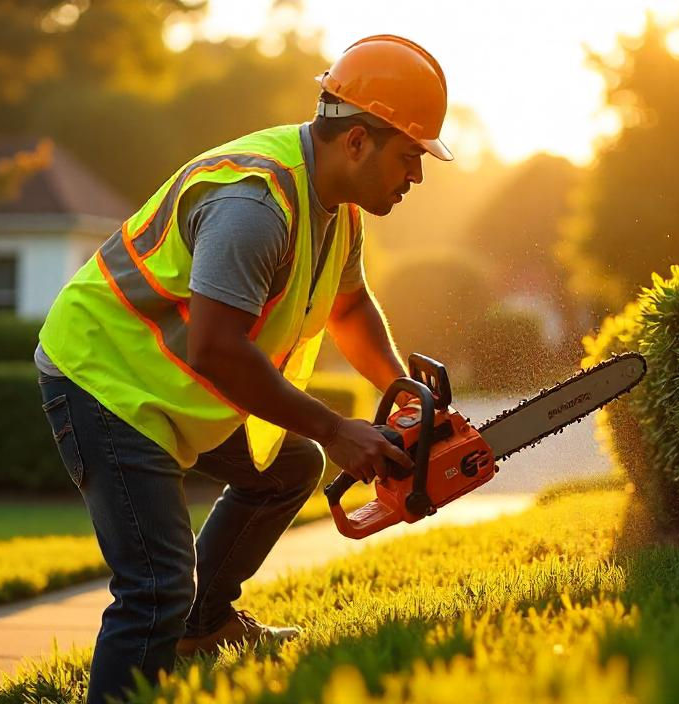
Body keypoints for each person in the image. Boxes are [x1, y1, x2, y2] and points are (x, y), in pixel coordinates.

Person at [33, 34, 452, 703]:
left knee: (287, 470)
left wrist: (398, 391)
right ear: (356, 142)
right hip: (104, 378)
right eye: (409, 157)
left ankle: (204, 628)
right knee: (154, 589)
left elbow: (349, 306)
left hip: (166, 379)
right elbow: (218, 350)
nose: (418, 177)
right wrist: (335, 430)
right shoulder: (255, 205)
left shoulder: (337, 209)